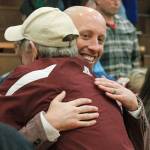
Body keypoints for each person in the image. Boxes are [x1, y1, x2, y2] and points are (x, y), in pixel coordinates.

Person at [0, 6, 149, 150]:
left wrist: (134, 109)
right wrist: (47, 125)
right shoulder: (98, 85)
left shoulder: (109, 87)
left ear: (32, 49)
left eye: (101, 39)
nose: (95, 47)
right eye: (85, 36)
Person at [87, 0, 141, 79]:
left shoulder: (128, 25)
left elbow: (136, 60)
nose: (117, 2)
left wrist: (135, 82)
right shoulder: (89, 25)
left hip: (127, 86)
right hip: (99, 84)